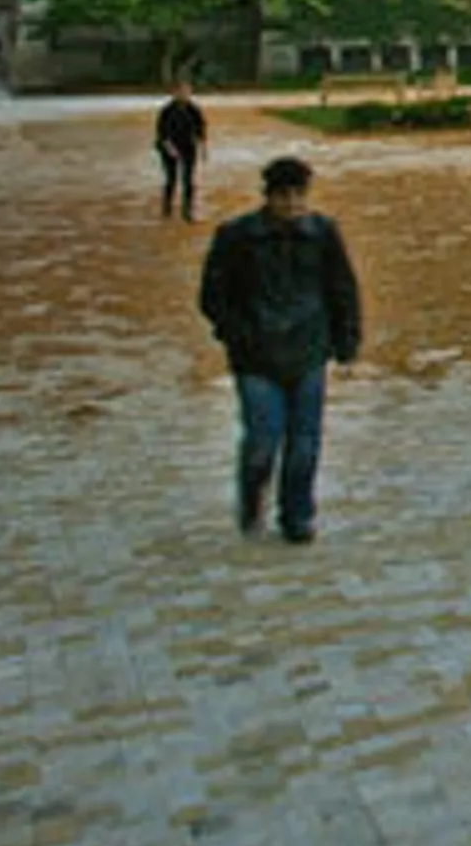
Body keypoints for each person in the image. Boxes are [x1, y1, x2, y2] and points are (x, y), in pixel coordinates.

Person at [199, 157, 364, 545]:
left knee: (305, 443)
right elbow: (212, 296)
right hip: (256, 355)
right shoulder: (237, 237)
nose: (292, 204)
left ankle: (297, 514)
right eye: (284, 196)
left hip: (308, 349)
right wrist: (237, 332)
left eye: (298, 196)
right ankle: (252, 495)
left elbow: (342, 288)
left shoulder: (322, 234)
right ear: (269, 196)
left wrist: (346, 339)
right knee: (263, 441)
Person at [155, 79, 209, 221]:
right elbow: (162, 133)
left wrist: (203, 148)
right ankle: (167, 209)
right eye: (181, 92)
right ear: (174, 93)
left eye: (187, 91)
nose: (184, 94)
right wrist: (170, 149)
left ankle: (188, 211)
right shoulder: (166, 111)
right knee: (171, 179)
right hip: (168, 147)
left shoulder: (194, 109)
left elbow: (201, 130)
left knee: (189, 179)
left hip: (188, 146)